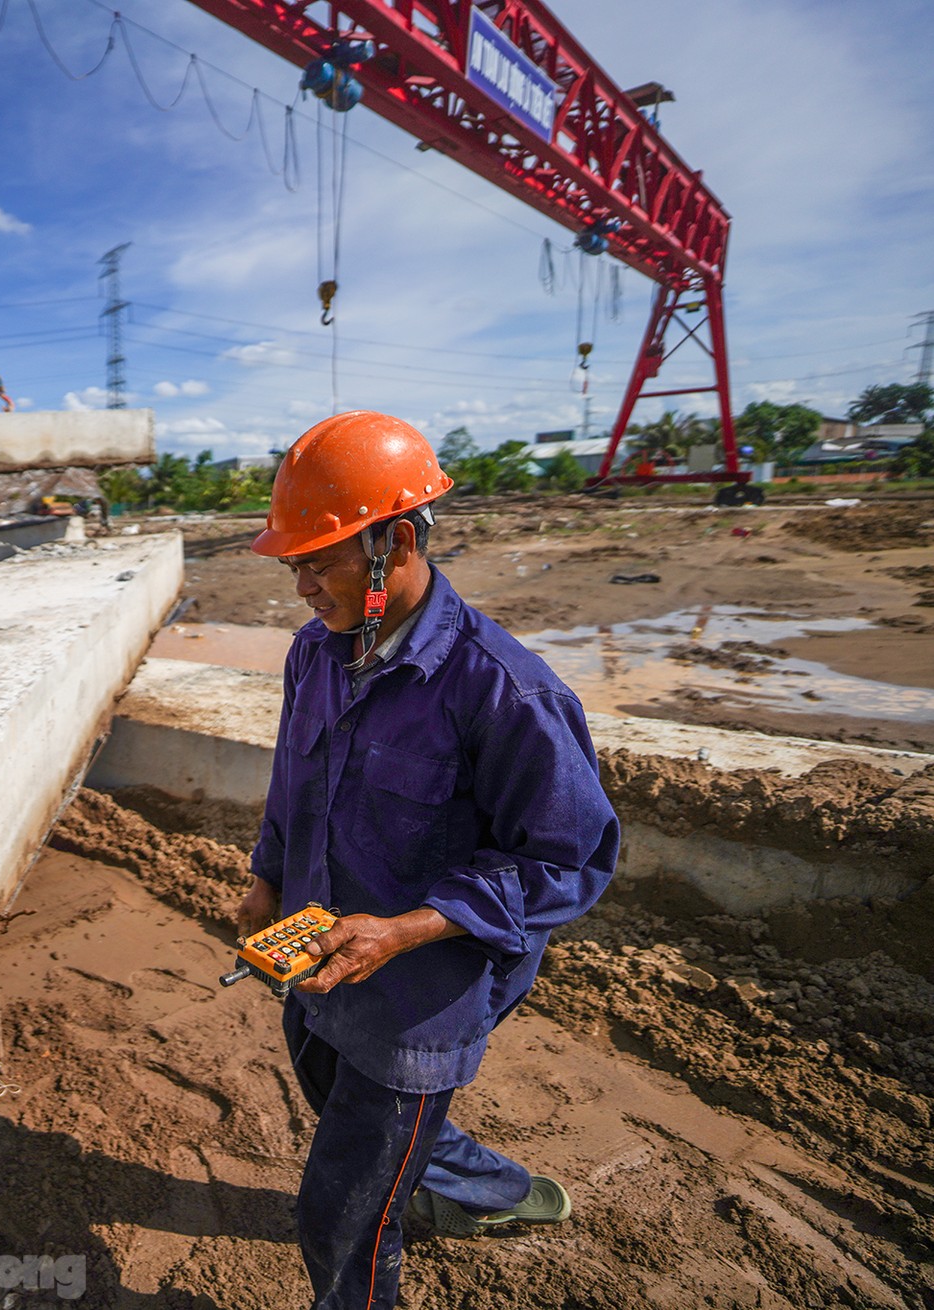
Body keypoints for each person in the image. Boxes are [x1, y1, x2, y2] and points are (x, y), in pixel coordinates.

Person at [233, 410, 619, 1310]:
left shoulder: (505, 689)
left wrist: (407, 929)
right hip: (321, 957)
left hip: (419, 999)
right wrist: (266, 875)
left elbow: (569, 860)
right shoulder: (316, 656)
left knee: (342, 1219)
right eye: (293, 563)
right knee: (350, 1111)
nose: (301, 588)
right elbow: (294, 780)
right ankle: (492, 1191)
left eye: (319, 561)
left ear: (395, 542)